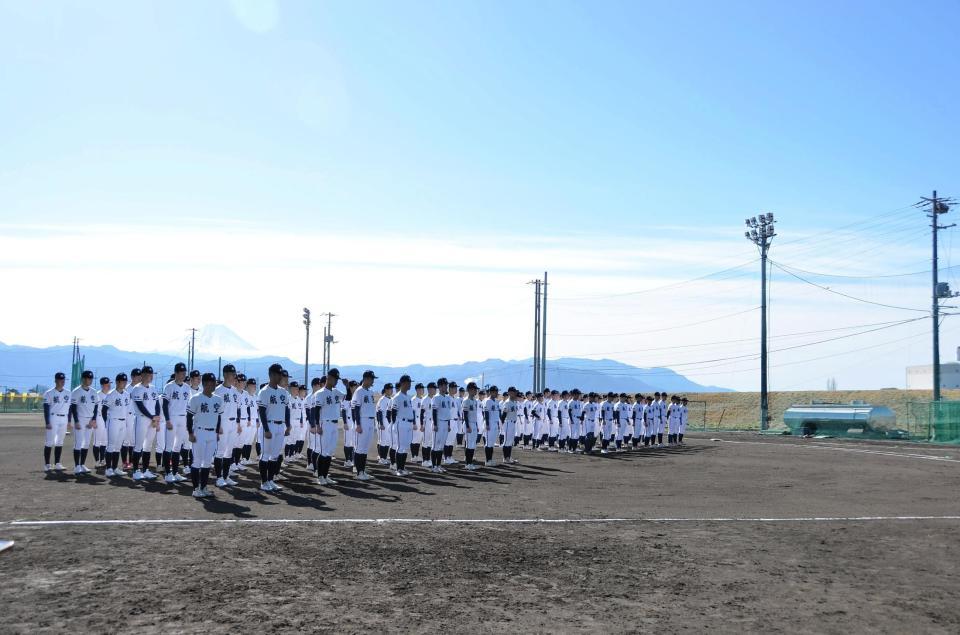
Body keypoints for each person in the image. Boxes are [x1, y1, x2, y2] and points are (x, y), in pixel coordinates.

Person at [186, 372, 223, 498]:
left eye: (214, 383)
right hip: (199, 432)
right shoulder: (195, 398)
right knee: (196, 462)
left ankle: (204, 487)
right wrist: (190, 433)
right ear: (205, 384)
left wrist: (217, 432)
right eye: (211, 383)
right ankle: (196, 489)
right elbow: (189, 417)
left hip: (212, 433)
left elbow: (218, 417)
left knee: (207, 462)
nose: (213, 385)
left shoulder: (218, 399)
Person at [312, 368, 349, 485]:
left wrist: (347, 387)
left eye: (337, 379)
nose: (336, 381)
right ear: (329, 378)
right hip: (325, 423)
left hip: (334, 424)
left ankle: (325, 475)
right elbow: (316, 411)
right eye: (335, 379)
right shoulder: (320, 393)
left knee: (329, 452)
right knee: (323, 452)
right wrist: (317, 425)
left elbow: (348, 398)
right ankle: (320, 477)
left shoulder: (336, 392)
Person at [256, 363, 291, 492]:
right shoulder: (264, 391)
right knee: (265, 455)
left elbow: (286, 410)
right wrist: (266, 429)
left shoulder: (283, 392)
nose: (280, 377)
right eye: (278, 374)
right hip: (269, 425)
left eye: (281, 374)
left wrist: (288, 425)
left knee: (275, 456)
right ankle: (264, 482)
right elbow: (262, 412)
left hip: (280, 425)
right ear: (271, 375)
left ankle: (271, 480)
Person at [161, 363, 191, 483]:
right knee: (168, 446)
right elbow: (164, 405)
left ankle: (175, 472)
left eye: (185, 373)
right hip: (172, 418)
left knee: (177, 446)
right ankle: (168, 473)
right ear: (176, 373)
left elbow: (189, 405)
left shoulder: (187, 388)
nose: (184, 375)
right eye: (182, 373)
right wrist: (167, 420)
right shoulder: (169, 387)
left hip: (183, 418)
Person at [214, 365, 242, 488]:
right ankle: (219, 477)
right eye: (231, 374)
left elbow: (238, 409)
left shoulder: (235, 391)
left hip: (232, 423)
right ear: (225, 375)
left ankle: (226, 476)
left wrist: (238, 423)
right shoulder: (218, 391)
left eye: (234, 374)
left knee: (229, 452)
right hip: (223, 423)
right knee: (220, 452)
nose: (233, 376)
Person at [131, 366, 161, 481]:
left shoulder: (153, 388)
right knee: (138, 446)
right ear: (142, 375)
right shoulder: (137, 389)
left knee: (148, 446)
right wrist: (152, 417)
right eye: (148, 374)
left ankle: (146, 470)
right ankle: (135, 471)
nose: (150, 377)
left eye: (151, 374)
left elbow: (157, 404)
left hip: (152, 421)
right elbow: (140, 406)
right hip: (142, 419)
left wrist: (157, 417)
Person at [69, 370, 100, 475]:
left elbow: (96, 406)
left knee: (86, 443)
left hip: (90, 420)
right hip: (80, 419)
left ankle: (82, 464)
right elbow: (73, 407)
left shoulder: (94, 392)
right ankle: (77, 466)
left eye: (90, 378)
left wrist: (94, 419)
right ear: (82, 379)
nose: (88, 380)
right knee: (78, 442)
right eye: (86, 378)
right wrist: (76, 421)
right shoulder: (76, 391)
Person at [101, 373, 131, 477]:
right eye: (122, 381)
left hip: (123, 422)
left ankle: (115, 467)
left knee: (118, 447)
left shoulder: (127, 394)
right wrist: (106, 422)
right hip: (113, 421)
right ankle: (108, 469)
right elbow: (104, 410)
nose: (124, 383)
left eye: (125, 381)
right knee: (111, 445)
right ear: (117, 382)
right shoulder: (111, 394)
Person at [350, 370, 378, 480]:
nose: (373, 381)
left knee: (365, 448)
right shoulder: (359, 391)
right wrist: (357, 424)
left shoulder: (370, 392)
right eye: (372, 379)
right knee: (360, 448)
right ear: (366, 379)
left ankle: (362, 471)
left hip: (370, 421)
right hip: (362, 421)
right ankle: (359, 473)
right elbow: (355, 409)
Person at [42, 372, 71, 472]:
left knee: (60, 441)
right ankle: (47, 464)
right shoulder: (49, 393)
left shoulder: (68, 393)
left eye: (63, 380)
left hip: (64, 418)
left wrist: (69, 421)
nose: (62, 382)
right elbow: (46, 409)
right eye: (60, 380)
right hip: (53, 418)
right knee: (49, 441)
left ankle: (57, 463)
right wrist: (47, 422)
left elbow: (70, 408)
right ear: (55, 381)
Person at [390, 375, 416, 476]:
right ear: (403, 383)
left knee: (405, 447)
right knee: (400, 447)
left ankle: (403, 467)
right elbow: (393, 412)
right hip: (401, 423)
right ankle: (399, 469)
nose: (410, 384)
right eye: (408, 382)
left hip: (408, 423)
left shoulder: (407, 396)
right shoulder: (397, 397)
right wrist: (394, 424)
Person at [429, 378, 452, 473]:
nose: (446, 387)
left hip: (445, 423)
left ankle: (439, 465)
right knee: (435, 446)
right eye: (444, 385)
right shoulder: (436, 397)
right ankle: (434, 466)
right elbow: (434, 411)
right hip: (438, 423)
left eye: (446, 385)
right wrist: (435, 424)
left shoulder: (447, 398)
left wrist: (448, 424)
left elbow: (448, 412)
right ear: (440, 386)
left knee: (441, 446)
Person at [461, 382, 481, 471]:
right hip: (468, 424)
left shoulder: (475, 401)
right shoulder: (466, 400)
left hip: (473, 423)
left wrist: (476, 425)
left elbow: (474, 415)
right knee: (469, 445)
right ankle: (468, 464)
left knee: (472, 445)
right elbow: (465, 415)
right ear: (469, 390)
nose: (476, 391)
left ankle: (470, 462)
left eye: (476, 389)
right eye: (474, 389)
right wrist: (468, 426)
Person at [499, 387, 519, 464]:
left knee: (510, 442)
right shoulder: (507, 402)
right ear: (510, 393)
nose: (516, 393)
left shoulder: (514, 402)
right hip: (508, 423)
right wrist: (502, 424)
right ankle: (505, 458)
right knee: (506, 441)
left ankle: (509, 457)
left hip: (513, 423)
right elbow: (504, 414)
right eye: (514, 392)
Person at [376, 383, 394, 466]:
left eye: (392, 389)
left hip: (389, 422)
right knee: (383, 441)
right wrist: (381, 423)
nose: (391, 390)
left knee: (387, 441)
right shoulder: (382, 399)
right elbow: (379, 412)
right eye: (390, 389)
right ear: (386, 390)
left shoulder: (391, 399)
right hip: (384, 421)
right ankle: (382, 458)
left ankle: (384, 458)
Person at [419, 382, 437, 467]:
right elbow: (422, 413)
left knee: (430, 442)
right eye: (434, 388)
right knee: (425, 442)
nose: (435, 390)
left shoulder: (435, 398)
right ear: (429, 389)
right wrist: (421, 425)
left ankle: (428, 459)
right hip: (427, 422)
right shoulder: (425, 399)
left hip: (433, 422)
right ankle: (424, 460)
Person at [482, 386, 501, 466]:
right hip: (489, 423)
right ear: (491, 392)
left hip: (495, 423)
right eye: (496, 392)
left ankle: (490, 459)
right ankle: (487, 461)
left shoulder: (496, 401)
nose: (497, 393)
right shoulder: (487, 401)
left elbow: (498, 413)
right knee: (488, 443)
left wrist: (498, 423)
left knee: (492, 443)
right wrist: (487, 424)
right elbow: (486, 413)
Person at [410, 383, 424, 464]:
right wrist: (414, 423)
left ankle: (416, 455)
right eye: (421, 389)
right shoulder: (414, 399)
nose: (422, 390)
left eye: (423, 389)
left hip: (421, 421)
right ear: (417, 390)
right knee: (414, 439)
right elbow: (412, 412)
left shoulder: (423, 399)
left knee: (419, 439)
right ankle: (413, 456)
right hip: (416, 420)